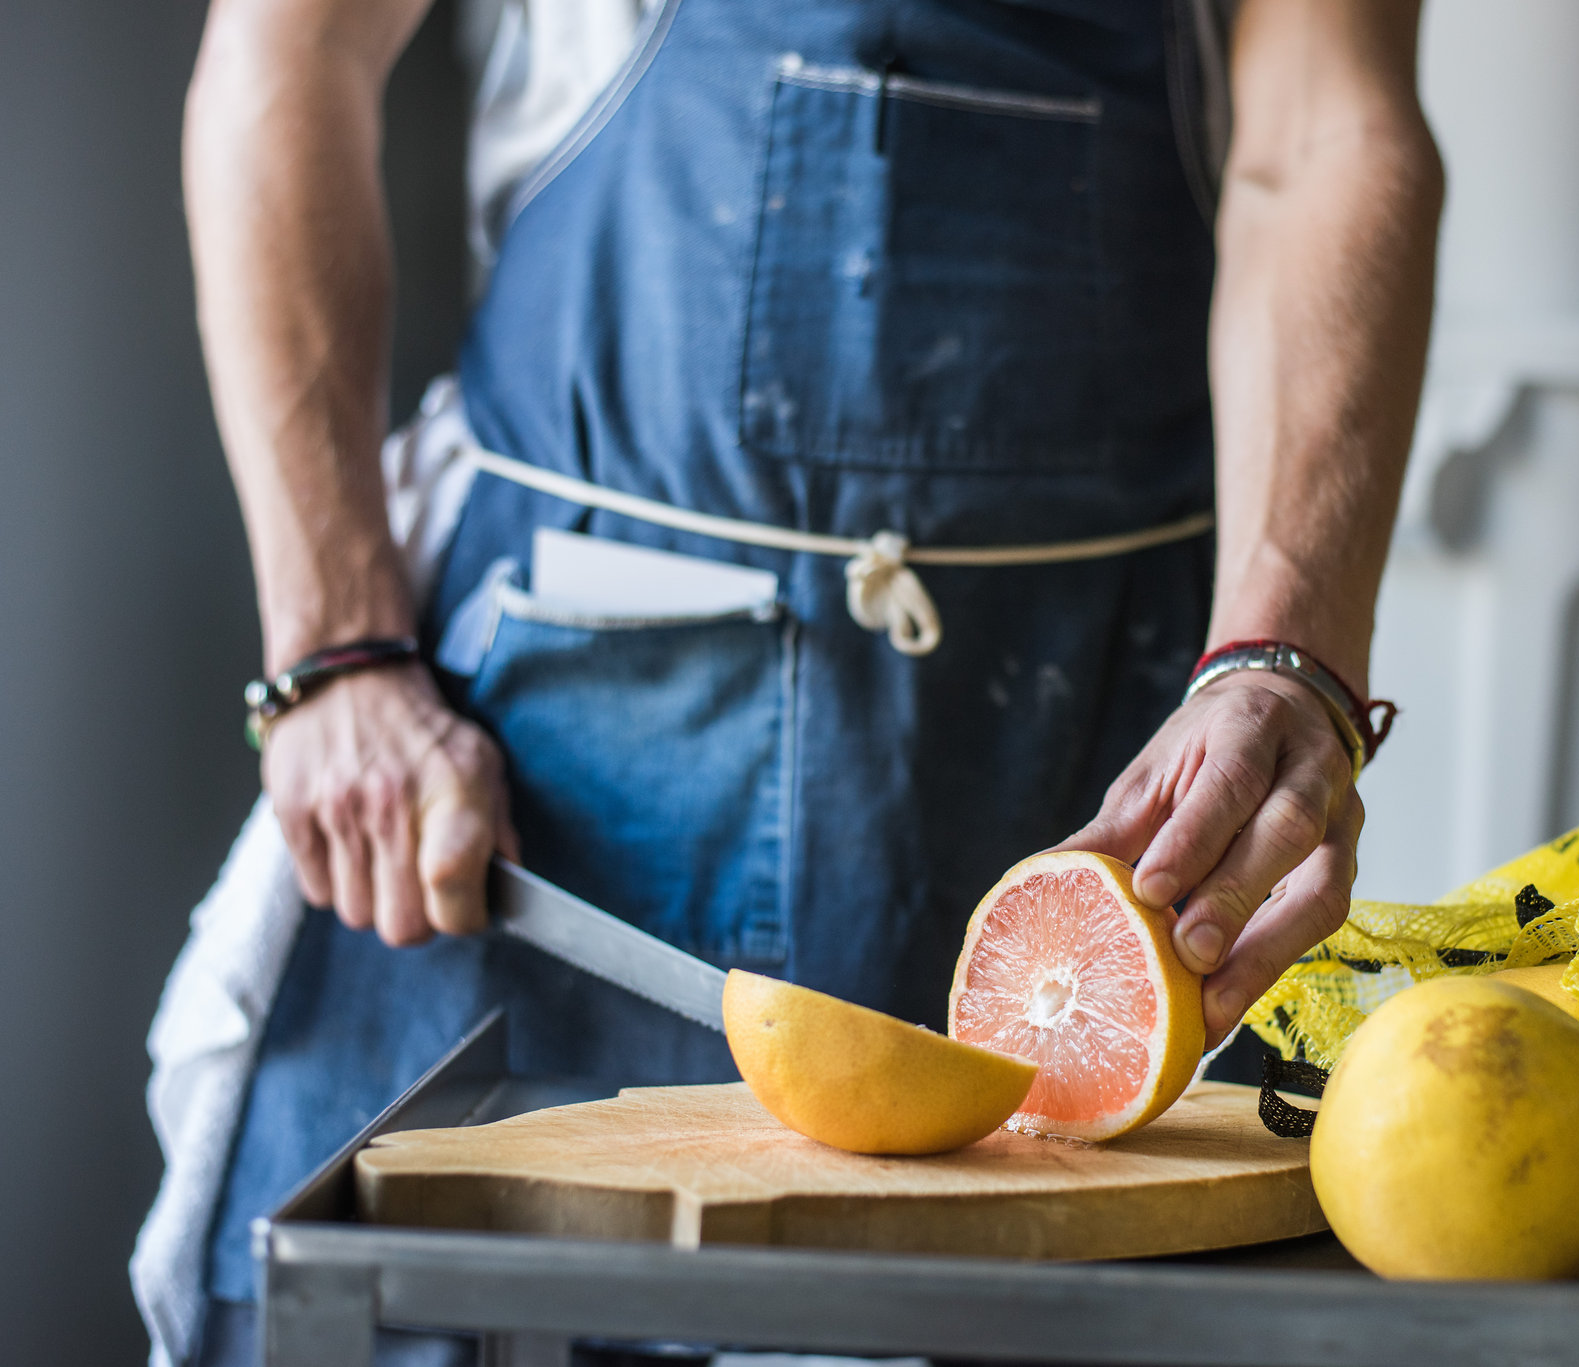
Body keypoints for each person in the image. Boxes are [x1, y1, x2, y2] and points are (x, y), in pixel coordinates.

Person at [177, 0, 1439, 1357]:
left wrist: (1284, 657)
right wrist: (337, 645)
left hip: (1096, 754)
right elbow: (287, 47)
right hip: (560, 755)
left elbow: (1323, 134)